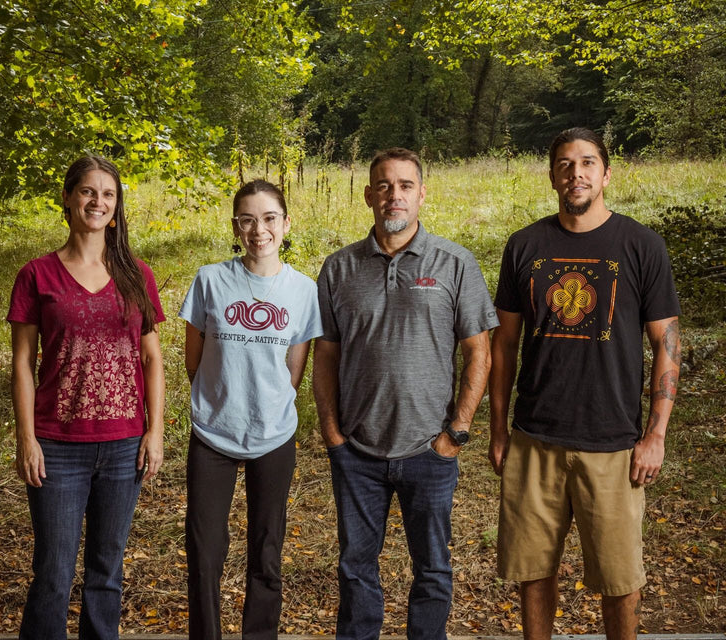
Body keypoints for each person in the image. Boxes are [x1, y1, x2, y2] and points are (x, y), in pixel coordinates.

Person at [489, 127, 681, 640]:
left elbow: (667, 342)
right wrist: (499, 430)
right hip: (535, 439)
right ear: (552, 175)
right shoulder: (525, 245)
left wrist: (656, 435)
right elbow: (503, 347)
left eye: (588, 163)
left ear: (606, 174)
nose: (577, 173)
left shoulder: (641, 245)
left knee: (621, 580)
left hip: (613, 444)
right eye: (566, 164)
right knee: (533, 572)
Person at [313, 147, 498, 640]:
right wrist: (332, 434)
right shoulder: (338, 268)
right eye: (385, 185)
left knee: (433, 569)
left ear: (422, 194)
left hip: (429, 450)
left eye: (405, 185)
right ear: (370, 194)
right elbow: (325, 356)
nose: (395, 195)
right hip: (357, 451)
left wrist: (455, 432)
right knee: (355, 568)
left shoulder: (455, 263)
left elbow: (480, 354)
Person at [8, 155, 166, 639]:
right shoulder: (37, 275)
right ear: (68, 197)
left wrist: (155, 432)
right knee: (53, 574)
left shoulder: (136, 274)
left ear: (116, 209)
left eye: (108, 194)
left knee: (106, 573)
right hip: (57, 446)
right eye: (88, 191)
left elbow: (153, 359)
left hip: (123, 447)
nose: (98, 201)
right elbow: (22, 363)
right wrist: (27, 439)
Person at [179, 179, 322, 640]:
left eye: (268, 218)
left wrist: (265, 402)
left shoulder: (303, 290)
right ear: (236, 226)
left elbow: (294, 369)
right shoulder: (210, 279)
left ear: (285, 224)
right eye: (247, 219)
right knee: (205, 551)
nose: (258, 229)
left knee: (266, 549)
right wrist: (220, 399)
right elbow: (194, 358)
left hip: (274, 434)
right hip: (213, 432)